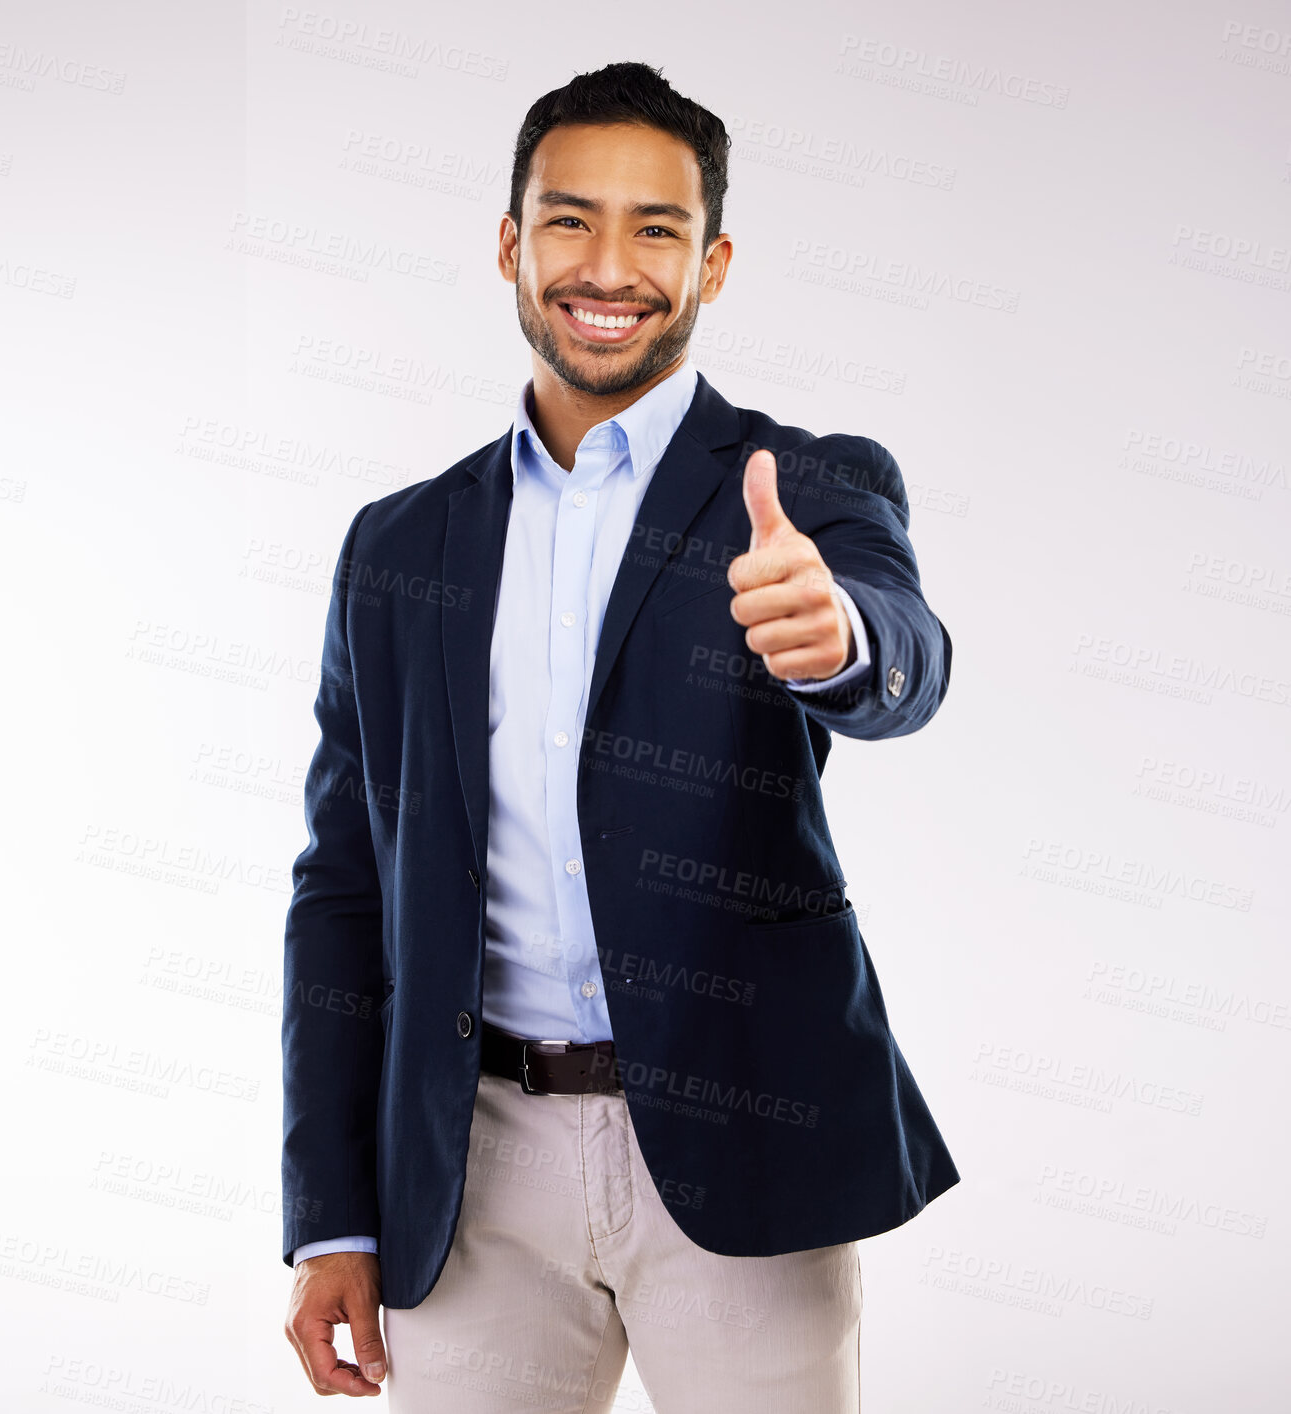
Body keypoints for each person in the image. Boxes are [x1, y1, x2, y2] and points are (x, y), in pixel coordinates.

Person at [282, 60, 959, 1412]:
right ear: (509, 245)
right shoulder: (398, 545)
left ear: (711, 263)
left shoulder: (805, 486)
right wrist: (331, 1215)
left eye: (656, 229)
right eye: (569, 220)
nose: (609, 265)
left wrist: (840, 639)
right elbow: (344, 888)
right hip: (468, 1170)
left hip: (740, 1138)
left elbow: (904, 653)